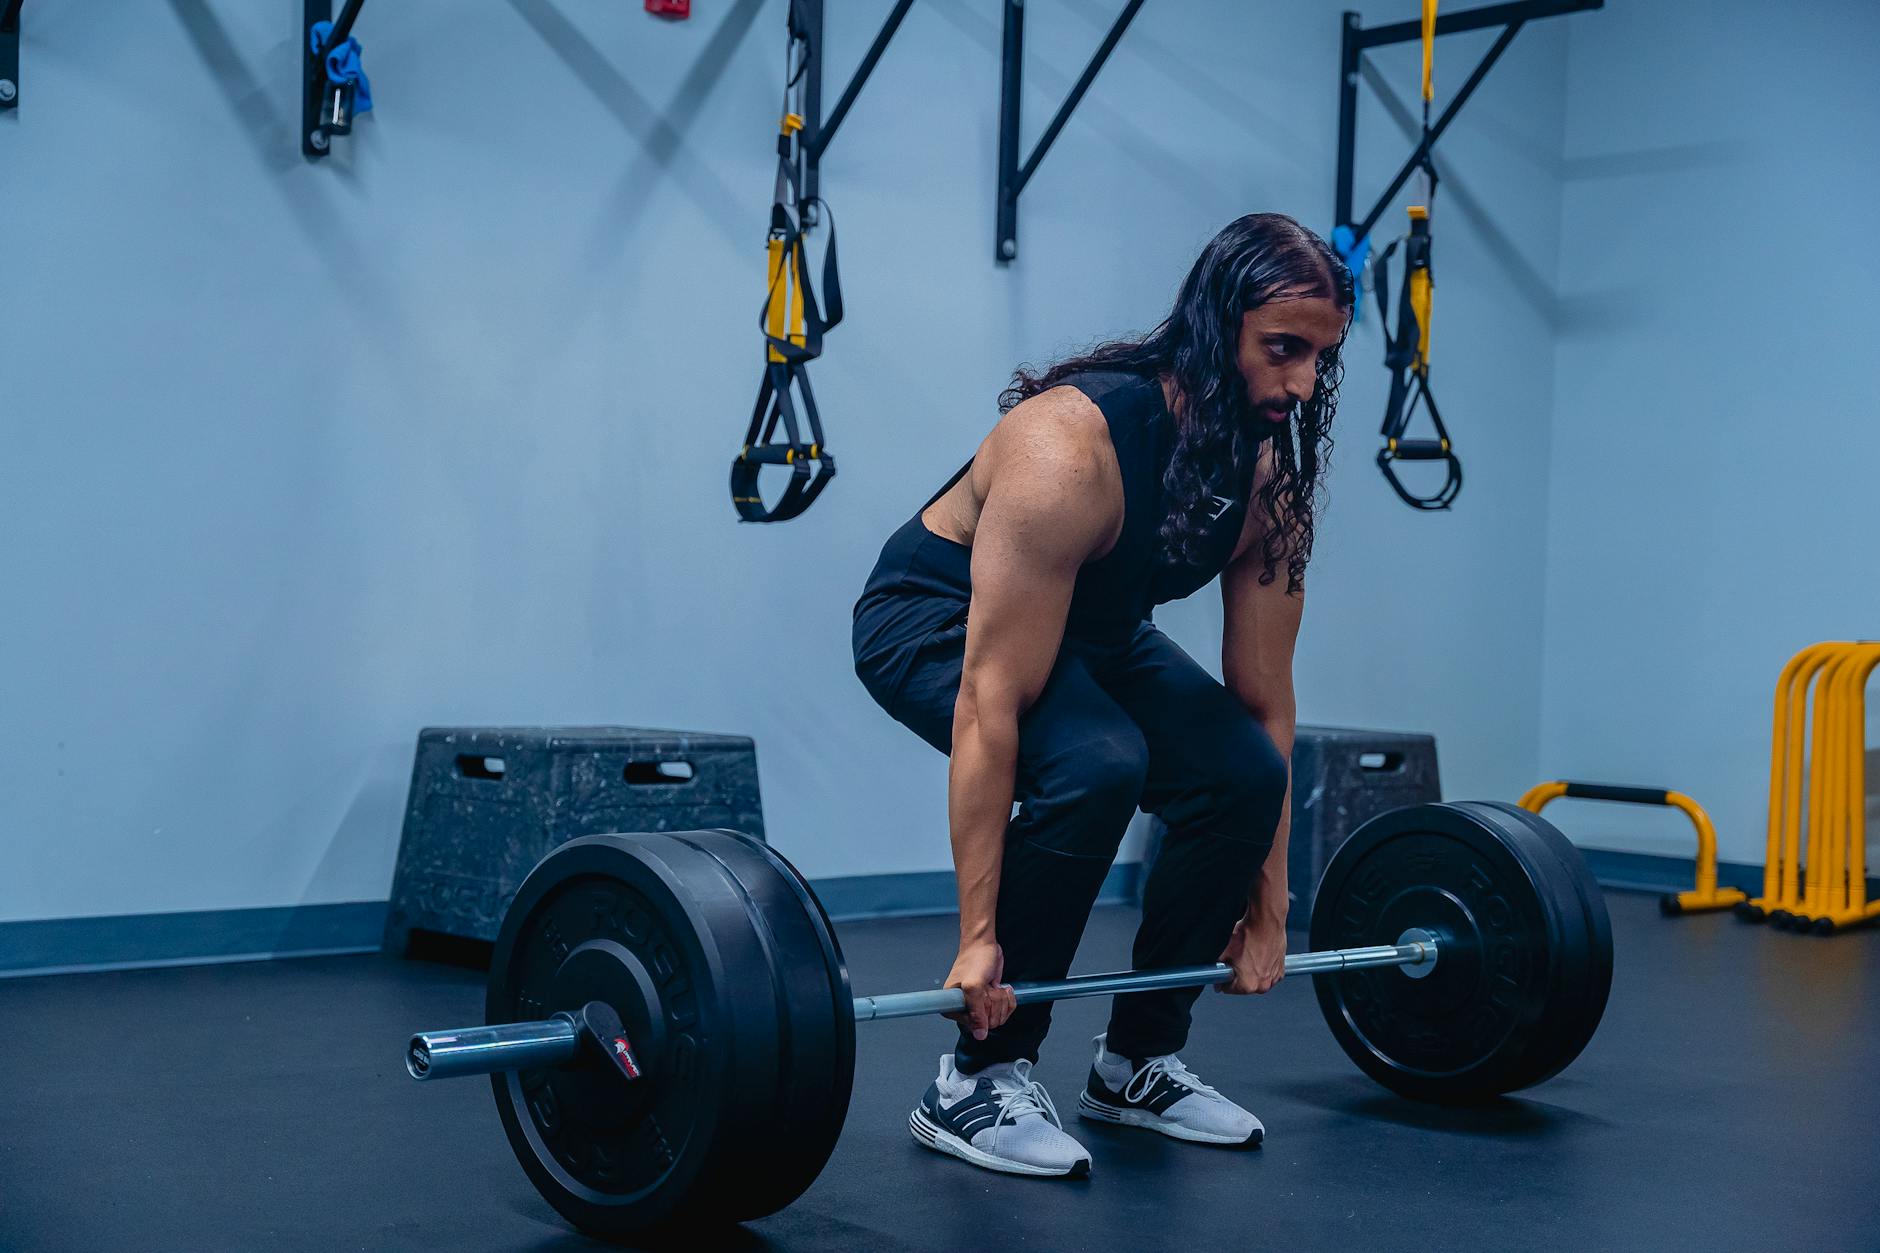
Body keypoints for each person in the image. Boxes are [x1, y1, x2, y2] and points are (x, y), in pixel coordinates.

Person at [851, 213, 1354, 1178]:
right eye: (1281, 350)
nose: (1301, 383)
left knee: (1242, 773)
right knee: (1096, 759)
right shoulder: (1067, 449)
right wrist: (977, 938)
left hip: (1096, 629)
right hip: (934, 614)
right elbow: (991, 703)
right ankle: (977, 1077)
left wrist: (1271, 910)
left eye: (1320, 359)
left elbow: (1265, 712)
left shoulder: (1267, 486)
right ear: (1219, 329)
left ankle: (1137, 1061)